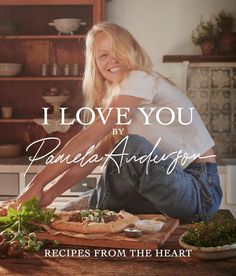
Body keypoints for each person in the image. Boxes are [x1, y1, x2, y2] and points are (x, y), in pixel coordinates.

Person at [16, 22, 222, 222]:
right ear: (95, 64)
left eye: (118, 50)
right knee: (74, 206)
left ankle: (96, 216)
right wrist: (50, 195)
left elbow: (88, 138)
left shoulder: (141, 79)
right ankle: (93, 216)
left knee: (131, 147)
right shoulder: (121, 101)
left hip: (199, 190)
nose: (112, 59)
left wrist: (36, 183)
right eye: (103, 55)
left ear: (132, 51)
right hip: (166, 191)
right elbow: (90, 157)